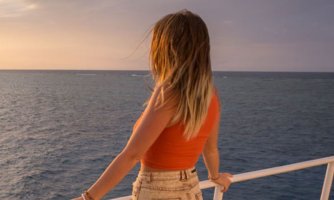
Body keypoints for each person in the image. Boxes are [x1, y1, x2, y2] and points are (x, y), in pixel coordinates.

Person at [74, 10, 232, 200]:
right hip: (191, 189)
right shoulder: (211, 94)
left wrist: (88, 198)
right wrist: (215, 177)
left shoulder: (169, 92)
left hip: (158, 190)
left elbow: (133, 155)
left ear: (167, 48)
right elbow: (210, 149)